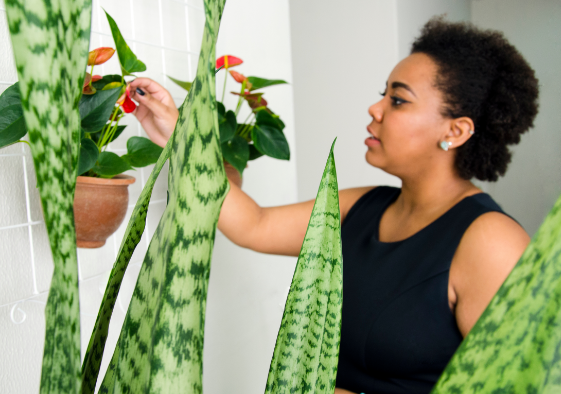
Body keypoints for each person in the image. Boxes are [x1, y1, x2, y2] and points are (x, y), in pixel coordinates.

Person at [128, 17, 539, 394]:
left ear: (456, 130)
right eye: (384, 95)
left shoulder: (491, 241)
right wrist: (181, 137)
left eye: (398, 101)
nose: (375, 109)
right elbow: (253, 225)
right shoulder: (363, 207)